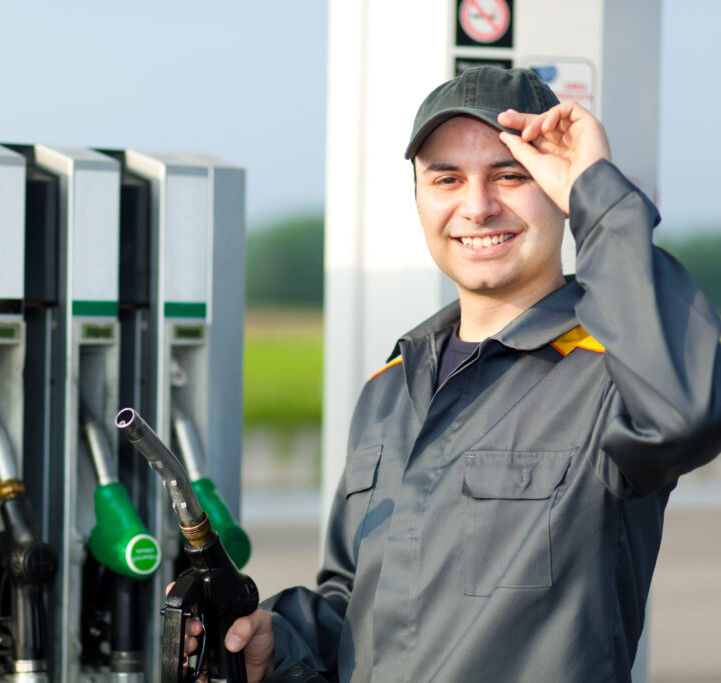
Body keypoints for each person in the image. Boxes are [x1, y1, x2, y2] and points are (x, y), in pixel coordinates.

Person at [185, 67, 721, 682]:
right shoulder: (389, 387)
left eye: (510, 175)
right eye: (447, 179)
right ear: (418, 200)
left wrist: (597, 194)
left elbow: (691, 409)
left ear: (557, 190)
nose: (477, 205)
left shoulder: (613, 375)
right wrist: (279, 642)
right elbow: (356, 607)